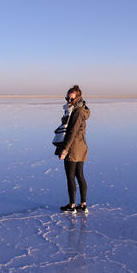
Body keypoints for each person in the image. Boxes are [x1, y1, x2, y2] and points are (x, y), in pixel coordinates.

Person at [58, 85, 91, 213]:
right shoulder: (79, 110)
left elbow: (72, 132)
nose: (68, 101)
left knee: (71, 176)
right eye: (67, 98)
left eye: (71, 99)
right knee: (79, 175)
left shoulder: (77, 112)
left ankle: (72, 205)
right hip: (81, 147)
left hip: (74, 148)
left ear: (78, 98)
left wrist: (65, 150)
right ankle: (83, 204)